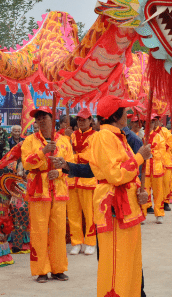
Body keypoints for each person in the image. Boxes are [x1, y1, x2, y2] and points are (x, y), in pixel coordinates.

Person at [91, 95, 151, 297]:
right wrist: (140, 156)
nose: (128, 114)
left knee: (131, 265)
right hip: (115, 209)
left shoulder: (118, 136)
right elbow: (115, 175)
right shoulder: (104, 137)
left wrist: (141, 194)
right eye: (125, 111)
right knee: (117, 267)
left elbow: (127, 177)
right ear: (116, 116)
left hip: (127, 208)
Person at [22, 106, 74, 283]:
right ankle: (41, 270)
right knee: (39, 231)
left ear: (53, 118)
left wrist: (58, 172)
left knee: (59, 231)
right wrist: (42, 152)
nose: (41, 120)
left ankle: (58, 269)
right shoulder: (30, 141)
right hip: (38, 191)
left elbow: (71, 165)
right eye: (38, 118)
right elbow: (27, 163)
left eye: (44, 117)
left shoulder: (64, 141)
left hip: (58, 190)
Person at [68, 108, 97, 255]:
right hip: (72, 179)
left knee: (89, 213)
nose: (81, 122)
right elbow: (67, 152)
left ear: (90, 120)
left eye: (84, 119)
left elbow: (91, 156)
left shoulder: (95, 136)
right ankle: (76, 242)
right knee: (73, 213)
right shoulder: (72, 135)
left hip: (87, 179)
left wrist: (74, 157)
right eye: (79, 120)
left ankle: (90, 241)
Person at [144, 115, 172, 224]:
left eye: (152, 122)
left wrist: (150, 153)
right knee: (144, 192)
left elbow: (162, 152)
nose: (150, 124)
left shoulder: (159, 137)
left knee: (158, 192)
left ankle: (159, 214)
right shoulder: (141, 136)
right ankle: (143, 213)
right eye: (148, 122)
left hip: (157, 168)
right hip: (145, 169)